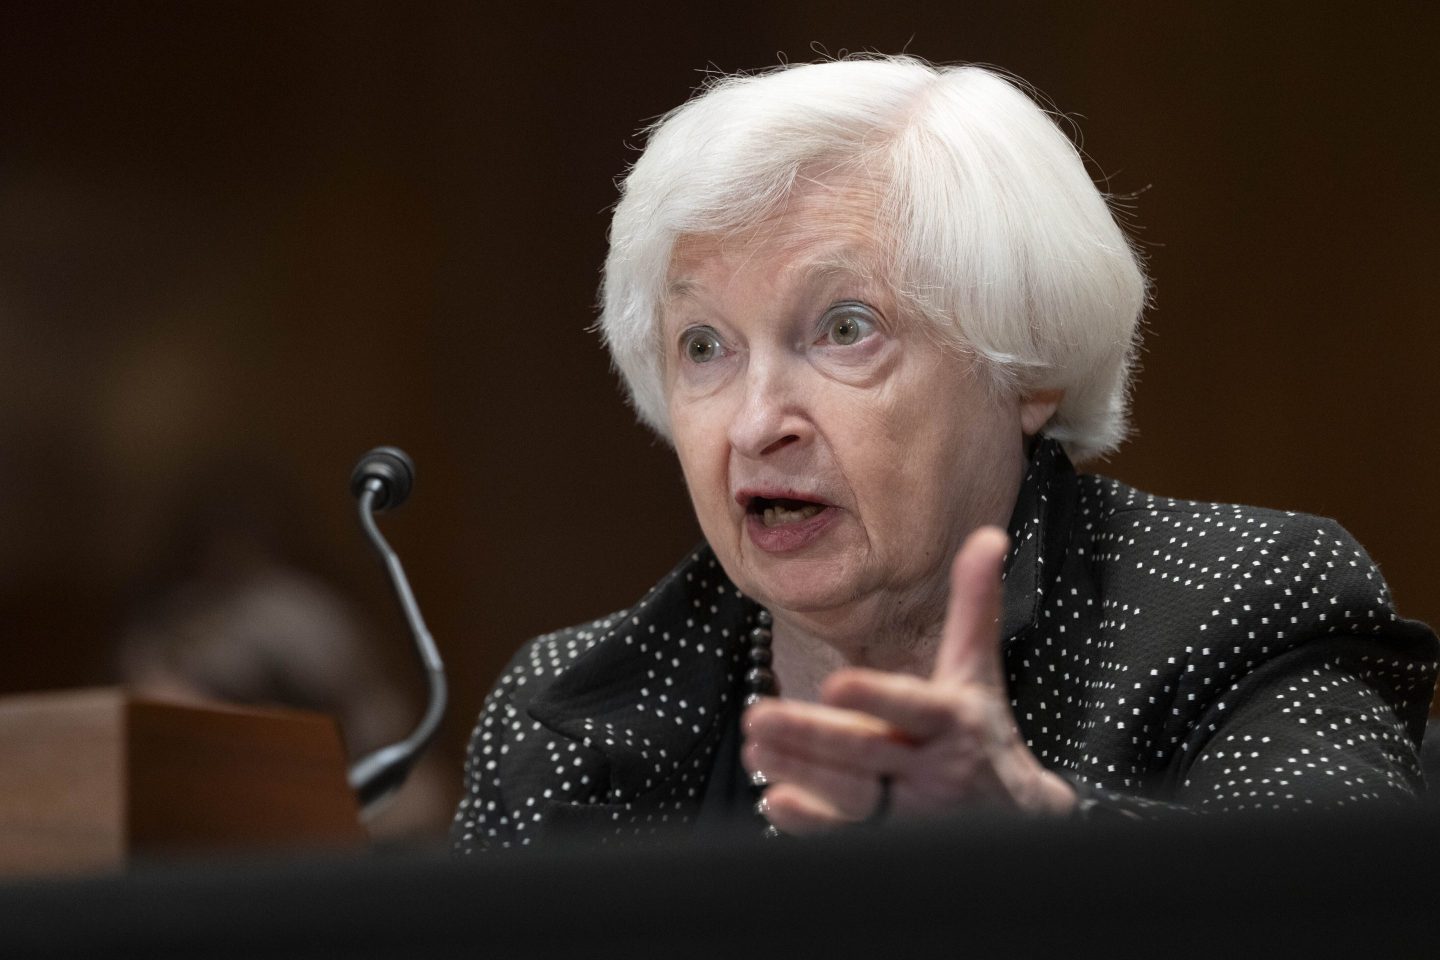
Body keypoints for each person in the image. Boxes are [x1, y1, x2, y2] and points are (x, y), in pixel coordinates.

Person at [451, 55, 1438, 851]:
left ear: (1026, 361)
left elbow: (1346, 913)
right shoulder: (566, 713)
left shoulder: (1236, 608)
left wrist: (1032, 845)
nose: (757, 424)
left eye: (844, 329)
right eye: (703, 347)